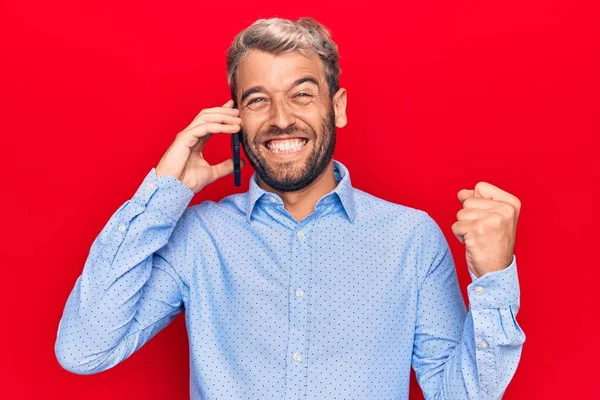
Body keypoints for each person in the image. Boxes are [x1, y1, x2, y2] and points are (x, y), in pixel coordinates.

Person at [55, 16, 525, 400]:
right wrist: (163, 192)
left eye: (302, 94)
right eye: (258, 100)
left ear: (336, 107)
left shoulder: (410, 237)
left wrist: (494, 279)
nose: (281, 119)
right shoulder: (201, 237)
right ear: (235, 118)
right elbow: (83, 350)